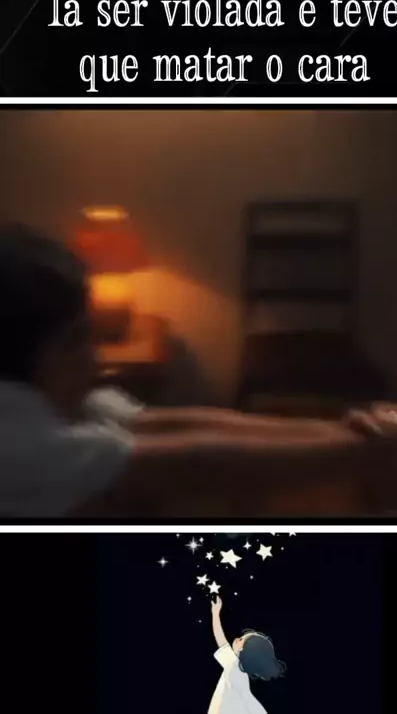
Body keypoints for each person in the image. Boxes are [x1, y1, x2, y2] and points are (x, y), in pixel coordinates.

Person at [0, 222, 358, 519]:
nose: (94, 358)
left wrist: (345, 431)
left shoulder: (55, 393)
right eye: (74, 341)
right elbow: (192, 466)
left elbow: (169, 424)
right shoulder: (16, 437)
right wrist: (364, 450)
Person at [208, 596, 284, 714]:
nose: (236, 638)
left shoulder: (234, 666)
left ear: (242, 648)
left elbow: (221, 640)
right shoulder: (240, 676)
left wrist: (215, 613)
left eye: (241, 639)